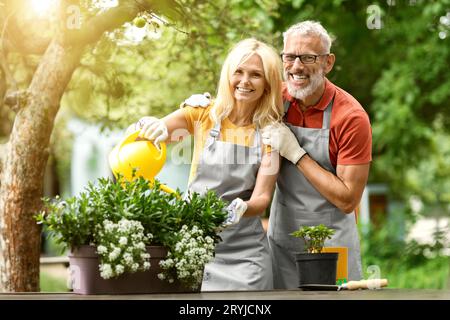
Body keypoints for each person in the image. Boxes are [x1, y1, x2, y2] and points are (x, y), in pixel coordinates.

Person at [183, 21, 372, 288]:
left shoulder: (350, 118)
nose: (297, 67)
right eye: (290, 57)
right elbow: (234, 97)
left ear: (328, 62)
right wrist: (200, 104)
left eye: (308, 57)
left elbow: (348, 200)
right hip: (283, 238)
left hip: (332, 244)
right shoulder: (276, 98)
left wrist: (297, 154)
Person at [127, 38, 284, 291]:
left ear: (268, 83)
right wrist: (147, 125)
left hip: (246, 257)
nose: (245, 81)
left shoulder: (271, 134)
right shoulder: (202, 113)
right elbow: (146, 136)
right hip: (193, 247)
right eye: (239, 72)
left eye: (256, 75)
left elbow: (262, 198)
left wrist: (241, 207)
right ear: (228, 75)